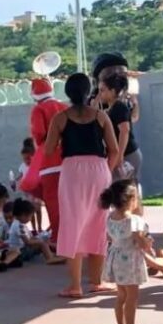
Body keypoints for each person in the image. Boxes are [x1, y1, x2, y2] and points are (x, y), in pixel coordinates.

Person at [45, 73, 120, 299]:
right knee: (98, 223)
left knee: (72, 224)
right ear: (90, 91)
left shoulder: (60, 118)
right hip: (99, 170)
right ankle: (98, 281)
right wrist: (106, 169)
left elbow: (48, 151)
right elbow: (115, 150)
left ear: (67, 93)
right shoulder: (101, 116)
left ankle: (75, 285)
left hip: (72, 172)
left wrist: (62, 144)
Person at [100, 180, 163, 324]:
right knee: (132, 297)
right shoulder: (134, 220)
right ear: (131, 199)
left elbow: (109, 237)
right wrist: (147, 243)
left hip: (116, 258)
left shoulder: (111, 217)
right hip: (130, 261)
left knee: (121, 296)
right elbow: (140, 242)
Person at [23, 78, 69, 247]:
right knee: (69, 201)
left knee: (53, 201)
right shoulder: (64, 107)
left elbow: (39, 133)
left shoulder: (38, 109)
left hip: (49, 162)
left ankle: (58, 237)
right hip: (68, 160)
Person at [100, 72, 143, 188]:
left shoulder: (119, 107)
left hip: (128, 153)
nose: (100, 94)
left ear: (113, 91)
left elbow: (125, 130)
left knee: (124, 191)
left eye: (103, 90)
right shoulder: (112, 109)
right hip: (123, 153)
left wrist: (119, 155)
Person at [7, 198, 62, 264]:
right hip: (20, 253)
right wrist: (40, 241)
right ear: (23, 215)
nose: (30, 219)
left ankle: (51, 254)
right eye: (30, 217)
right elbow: (28, 242)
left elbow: (30, 238)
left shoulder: (20, 224)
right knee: (42, 243)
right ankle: (49, 258)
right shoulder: (18, 226)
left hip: (23, 249)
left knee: (44, 241)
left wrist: (40, 239)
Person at [16, 138, 43, 233]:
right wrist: (15, 181)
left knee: (38, 208)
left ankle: (39, 226)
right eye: (24, 159)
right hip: (27, 192)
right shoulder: (23, 166)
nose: (26, 160)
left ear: (32, 156)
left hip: (35, 190)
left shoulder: (35, 165)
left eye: (28, 158)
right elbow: (20, 176)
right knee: (29, 209)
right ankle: (34, 227)